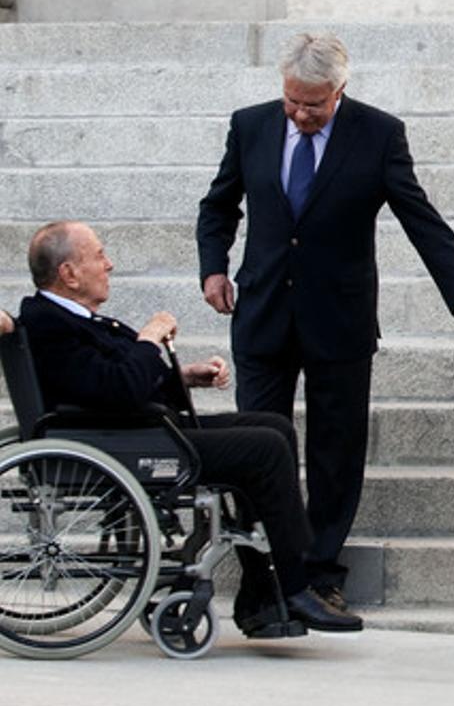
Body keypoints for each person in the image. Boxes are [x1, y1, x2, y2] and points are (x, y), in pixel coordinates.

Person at [196, 32, 454, 609]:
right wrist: (213, 269)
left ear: (340, 90)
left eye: (313, 104)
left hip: (338, 318)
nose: (300, 113)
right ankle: (263, 571)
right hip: (262, 313)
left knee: (336, 451)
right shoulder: (251, 126)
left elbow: (420, 217)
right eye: (292, 100)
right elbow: (218, 206)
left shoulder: (378, 133)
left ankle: (318, 571)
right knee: (257, 444)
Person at [15, 221, 362, 637]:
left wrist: (187, 376)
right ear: (69, 274)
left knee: (272, 426)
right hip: (124, 443)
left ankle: (262, 591)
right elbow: (119, 387)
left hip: (134, 430)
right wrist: (148, 338)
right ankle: (293, 585)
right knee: (264, 448)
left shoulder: (67, 318)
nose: (110, 264)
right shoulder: (50, 324)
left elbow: (109, 381)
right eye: (99, 256)